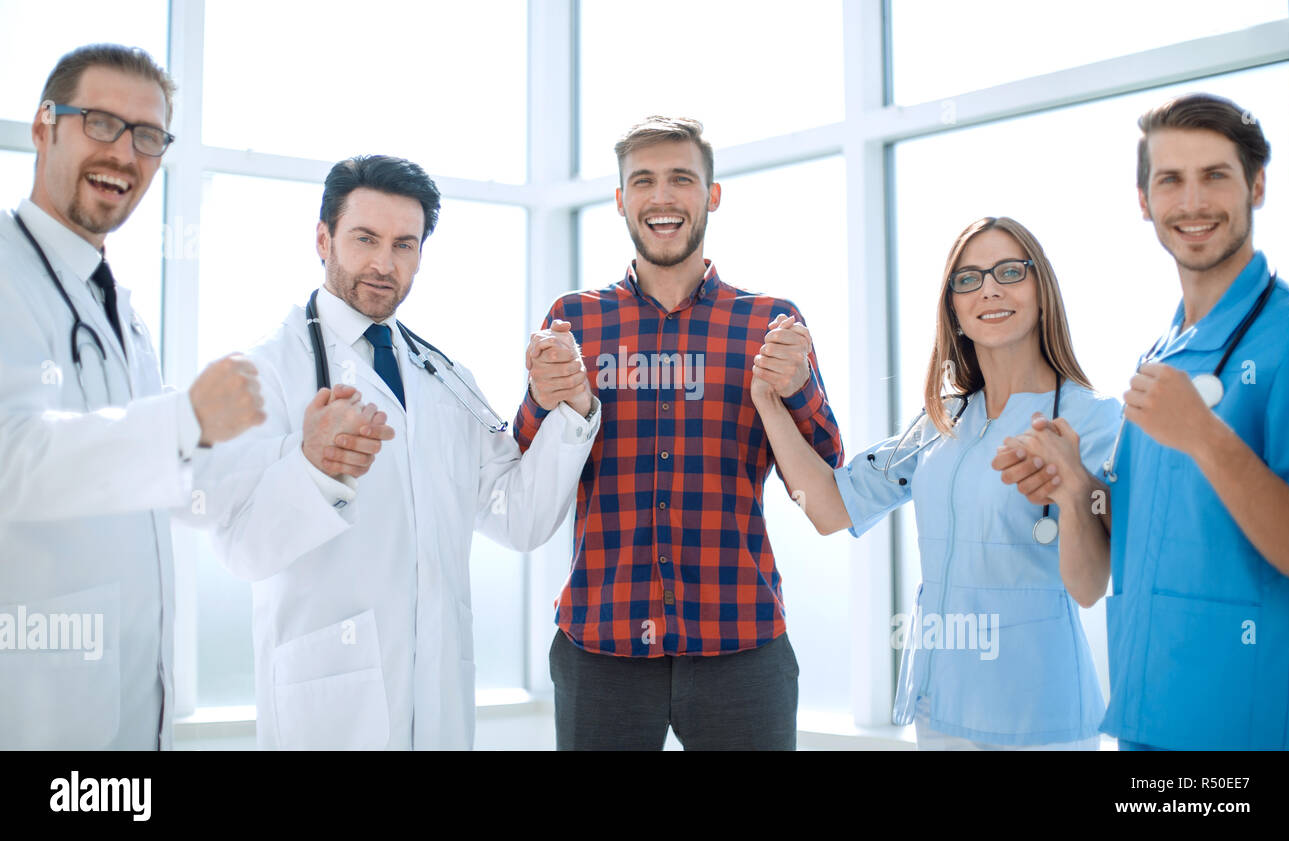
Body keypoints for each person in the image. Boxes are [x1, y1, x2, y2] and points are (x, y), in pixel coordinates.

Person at [197, 154, 601, 749]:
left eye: (404, 245)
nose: (384, 264)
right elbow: (239, 548)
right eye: (365, 239)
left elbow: (519, 519)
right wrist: (312, 469)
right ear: (322, 238)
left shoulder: (443, 376)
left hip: (437, 707)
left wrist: (572, 408)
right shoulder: (264, 371)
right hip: (328, 709)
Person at [514, 116, 843, 751]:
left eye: (681, 179)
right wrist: (538, 397)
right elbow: (526, 469)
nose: (662, 198)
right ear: (620, 200)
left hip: (741, 646)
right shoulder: (572, 320)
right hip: (599, 646)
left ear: (711, 195)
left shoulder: (771, 325)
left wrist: (798, 386)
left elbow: (826, 481)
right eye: (643, 181)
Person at [996, 94, 1289, 750]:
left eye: (1215, 175)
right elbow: (1090, 581)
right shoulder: (1160, 357)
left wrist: (1204, 435)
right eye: (1170, 180)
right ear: (1143, 200)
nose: (1193, 202)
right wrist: (1076, 489)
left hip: (1242, 735)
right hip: (1146, 727)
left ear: (1258, 184)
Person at [754, 216, 1122, 749]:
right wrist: (769, 401)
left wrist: (1071, 487)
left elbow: (1089, 589)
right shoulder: (940, 423)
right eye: (968, 279)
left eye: (1010, 272)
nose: (989, 288)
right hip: (942, 710)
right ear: (954, 309)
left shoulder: (1093, 421)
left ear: (1043, 292)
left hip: (1040, 713)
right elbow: (831, 508)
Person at [0, 43, 266, 749]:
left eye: (147, 135)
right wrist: (184, 419)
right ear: (43, 127)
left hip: (125, 706)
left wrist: (302, 452)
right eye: (101, 122)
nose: (125, 152)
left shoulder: (118, 305)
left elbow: (151, 475)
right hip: (34, 708)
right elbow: (11, 460)